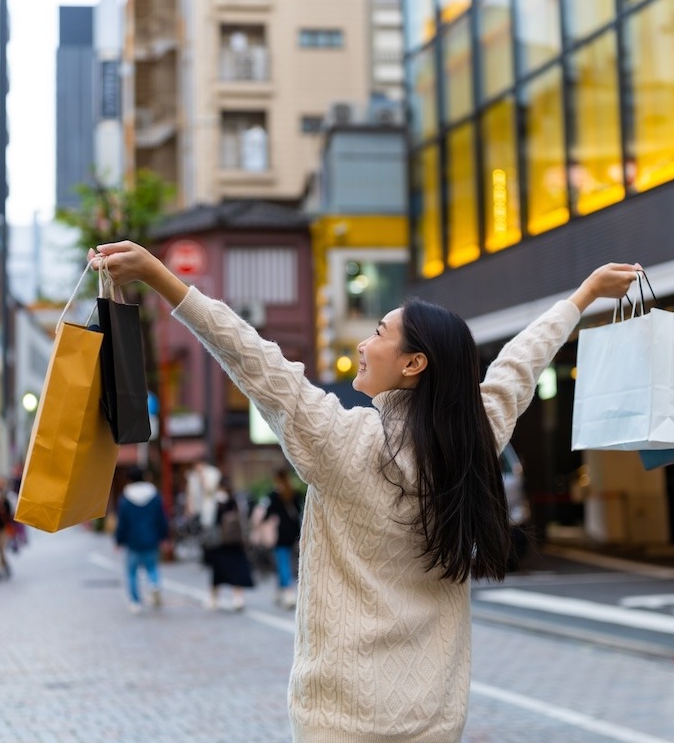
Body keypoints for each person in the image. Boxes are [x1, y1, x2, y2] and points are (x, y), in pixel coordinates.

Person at [91, 240, 641, 742]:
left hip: (339, 719)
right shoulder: (473, 439)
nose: (363, 342)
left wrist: (160, 277)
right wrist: (585, 294)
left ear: (413, 363)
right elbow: (520, 365)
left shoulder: (342, 441)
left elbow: (252, 358)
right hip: (434, 716)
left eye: (379, 333)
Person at [113, 466, 169, 613]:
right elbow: (161, 518)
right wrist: (164, 536)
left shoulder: (125, 499)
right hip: (152, 538)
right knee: (152, 567)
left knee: (132, 572)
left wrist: (118, 540)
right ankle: (154, 584)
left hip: (133, 541)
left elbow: (122, 522)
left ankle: (135, 602)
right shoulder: (155, 496)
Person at [201, 473, 253, 611]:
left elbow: (207, 521)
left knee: (217, 571)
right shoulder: (237, 500)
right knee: (236, 569)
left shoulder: (213, 501)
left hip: (218, 542)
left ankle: (213, 598)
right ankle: (238, 598)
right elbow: (243, 520)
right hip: (234, 541)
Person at [264, 469, 304, 610]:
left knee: (282, 562)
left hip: (280, 533)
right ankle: (280, 591)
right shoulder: (294, 493)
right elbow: (300, 512)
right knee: (287, 561)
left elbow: (268, 514)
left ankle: (288, 593)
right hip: (294, 532)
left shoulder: (274, 495)